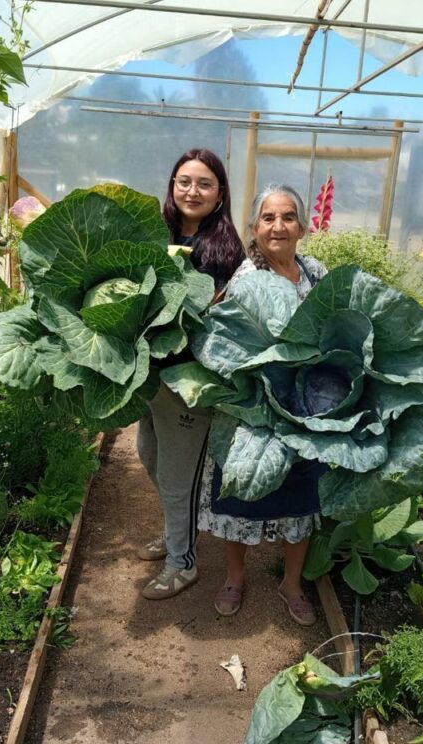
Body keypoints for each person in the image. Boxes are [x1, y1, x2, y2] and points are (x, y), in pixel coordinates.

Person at [198, 184, 328, 626]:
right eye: (268, 218)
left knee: (303, 495)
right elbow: (224, 344)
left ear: (302, 225)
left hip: (307, 408)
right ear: (254, 228)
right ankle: (235, 577)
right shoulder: (246, 278)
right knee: (240, 495)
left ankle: (291, 583)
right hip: (251, 407)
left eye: (288, 217)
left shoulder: (316, 274)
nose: (278, 226)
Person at [136, 149, 244, 600]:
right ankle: (175, 532)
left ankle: (183, 563)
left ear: (220, 194)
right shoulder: (152, 233)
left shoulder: (226, 251)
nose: (191, 191)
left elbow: (220, 320)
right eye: (184, 181)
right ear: (172, 184)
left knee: (179, 479)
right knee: (149, 457)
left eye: (203, 184)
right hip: (148, 373)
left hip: (191, 381)